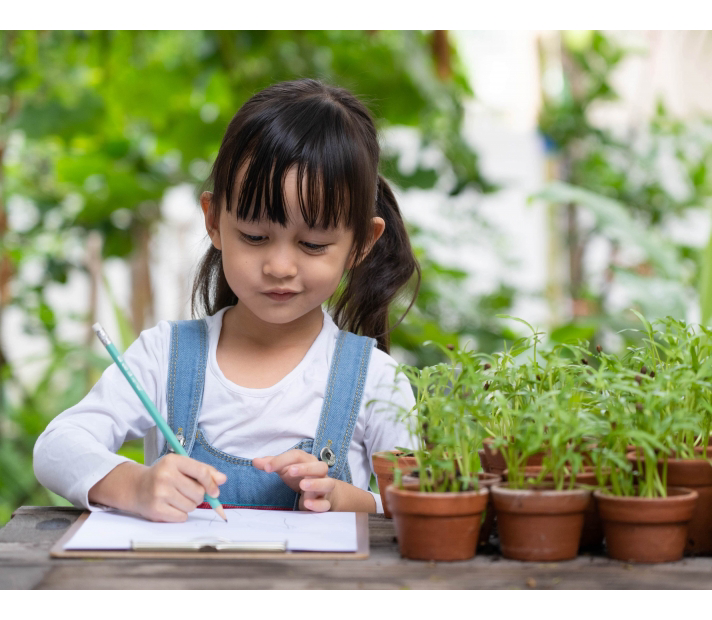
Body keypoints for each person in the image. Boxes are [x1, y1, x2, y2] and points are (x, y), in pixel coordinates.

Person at [33, 79, 421, 522]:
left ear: (361, 244)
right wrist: (135, 485)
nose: (279, 266)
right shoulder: (166, 357)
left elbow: (418, 497)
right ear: (214, 220)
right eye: (255, 237)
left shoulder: (375, 381)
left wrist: (345, 498)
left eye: (312, 244)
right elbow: (57, 445)